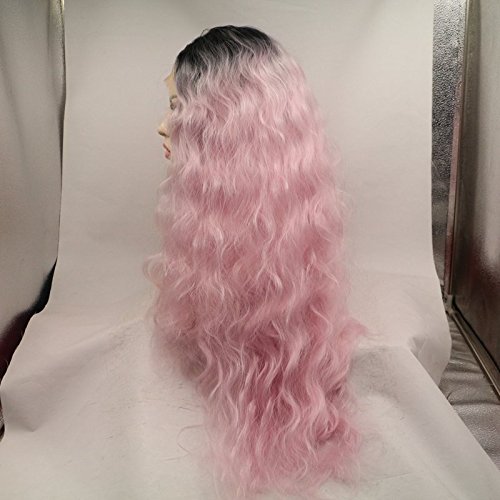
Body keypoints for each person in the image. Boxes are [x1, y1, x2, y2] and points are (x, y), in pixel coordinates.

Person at [144, 25, 370, 500]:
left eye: (177, 108)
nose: (163, 126)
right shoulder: (212, 239)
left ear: (227, 124)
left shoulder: (274, 254)